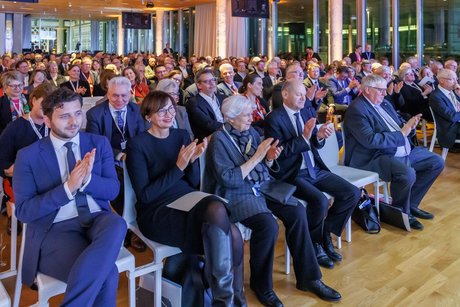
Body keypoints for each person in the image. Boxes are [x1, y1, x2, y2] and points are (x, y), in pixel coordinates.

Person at [205, 95, 341, 306]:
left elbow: (262, 168)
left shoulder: (250, 132)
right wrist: (259, 156)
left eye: (251, 113)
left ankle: (309, 278)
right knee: (267, 225)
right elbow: (229, 179)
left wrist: (268, 158)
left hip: (263, 187)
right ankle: (261, 285)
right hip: (237, 194)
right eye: (247, 114)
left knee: (297, 212)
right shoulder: (219, 140)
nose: (252, 118)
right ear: (231, 117)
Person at [126, 91, 246, 306]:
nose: (168, 114)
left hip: (187, 199)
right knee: (225, 223)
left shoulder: (181, 135)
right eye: (161, 110)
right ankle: (228, 302)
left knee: (234, 233)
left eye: (171, 108)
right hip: (157, 211)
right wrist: (178, 167)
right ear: (148, 116)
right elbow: (145, 196)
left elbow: (190, 183)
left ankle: (234, 300)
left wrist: (193, 162)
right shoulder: (137, 144)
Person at [13, 87, 127, 306]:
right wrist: (68, 188)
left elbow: (112, 190)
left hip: (97, 219)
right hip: (55, 229)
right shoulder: (28, 156)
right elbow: (24, 211)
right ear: (47, 120)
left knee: (117, 223)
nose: (74, 121)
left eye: (77, 113)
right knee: (108, 275)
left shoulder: (98, 143)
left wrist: (87, 181)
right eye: (64, 116)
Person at [265, 79, 360, 269]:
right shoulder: (274, 118)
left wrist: (319, 136)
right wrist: (305, 137)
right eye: (298, 94)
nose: (303, 98)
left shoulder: (307, 112)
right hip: (292, 174)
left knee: (352, 193)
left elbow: (313, 144)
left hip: (314, 168)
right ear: (285, 95)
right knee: (319, 201)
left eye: (304, 94)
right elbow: (278, 153)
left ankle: (325, 232)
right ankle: (315, 245)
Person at [344, 75, 444, 230]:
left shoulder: (384, 103)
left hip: (400, 149)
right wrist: (402, 133)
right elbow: (370, 140)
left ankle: (411, 205)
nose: (385, 94)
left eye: (385, 90)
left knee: (436, 162)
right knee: (406, 174)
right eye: (381, 90)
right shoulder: (357, 109)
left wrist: (409, 126)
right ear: (367, 90)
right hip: (374, 156)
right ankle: (400, 213)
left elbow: (398, 124)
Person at [0, 83, 55, 234]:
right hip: (21, 178)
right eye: (44, 103)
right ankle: (14, 217)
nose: (48, 108)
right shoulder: (14, 128)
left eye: (52, 104)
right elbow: (3, 165)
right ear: (33, 100)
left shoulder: (54, 125)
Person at [186, 69, 226, 140]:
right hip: (209, 140)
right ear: (199, 85)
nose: (212, 83)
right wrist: (229, 127)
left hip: (226, 134)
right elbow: (208, 124)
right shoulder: (193, 103)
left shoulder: (223, 98)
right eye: (207, 81)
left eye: (213, 80)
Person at [428, 69, 460, 152]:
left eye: (456, 79)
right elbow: (451, 117)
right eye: (452, 79)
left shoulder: (453, 91)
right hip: (450, 128)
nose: (456, 82)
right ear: (442, 80)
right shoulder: (436, 96)